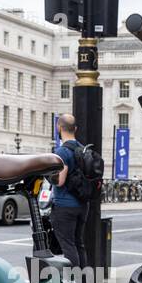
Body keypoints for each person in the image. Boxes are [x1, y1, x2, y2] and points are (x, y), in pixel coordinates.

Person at [50, 114, 88, 272]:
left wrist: (48, 175)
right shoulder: (83, 149)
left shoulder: (62, 152)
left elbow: (60, 181)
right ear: (76, 129)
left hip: (64, 206)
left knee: (68, 246)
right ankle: (84, 282)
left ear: (59, 127)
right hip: (82, 204)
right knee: (79, 243)